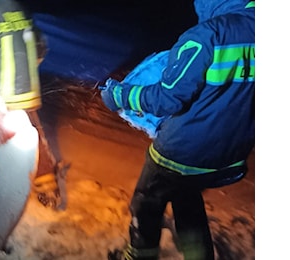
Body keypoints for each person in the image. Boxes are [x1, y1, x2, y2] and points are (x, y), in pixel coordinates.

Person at [100, 0, 255, 259]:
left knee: (146, 202)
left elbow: (167, 99)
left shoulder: (207, 35)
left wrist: (119, 95)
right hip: (230, 154)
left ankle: (139, 255)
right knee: (187, 202)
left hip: (182, 150)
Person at [0, 0, 68, 210]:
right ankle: (48, 188)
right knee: (33, 132)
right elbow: (40, 45)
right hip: (27, 86)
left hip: (1, 91)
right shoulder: (17, 6)